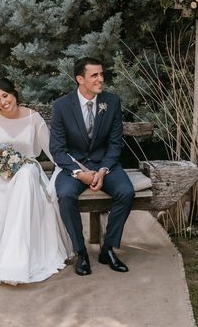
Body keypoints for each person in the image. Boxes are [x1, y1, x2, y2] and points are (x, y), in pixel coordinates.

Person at [0, 78, 72, 285]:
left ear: (13, 93)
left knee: (24, 177)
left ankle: (18, 258)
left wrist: (72, 167)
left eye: (5, 96)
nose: (3, 102)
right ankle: (1, 251)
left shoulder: (34, 118)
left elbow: (52, 151)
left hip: (26, 169)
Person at [49, 57, 135, 276]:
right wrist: (79, 173)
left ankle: (107, 249)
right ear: (80, 79)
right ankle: (81, 252)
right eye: (94, 75)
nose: (100, 79)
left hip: (106, 164)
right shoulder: (61, 106)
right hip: (73, 166)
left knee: (126, 191)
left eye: (101, 74)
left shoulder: (111, 102)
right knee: (66, 195)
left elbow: (116, 143)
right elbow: (57, 149)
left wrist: (103, 170)